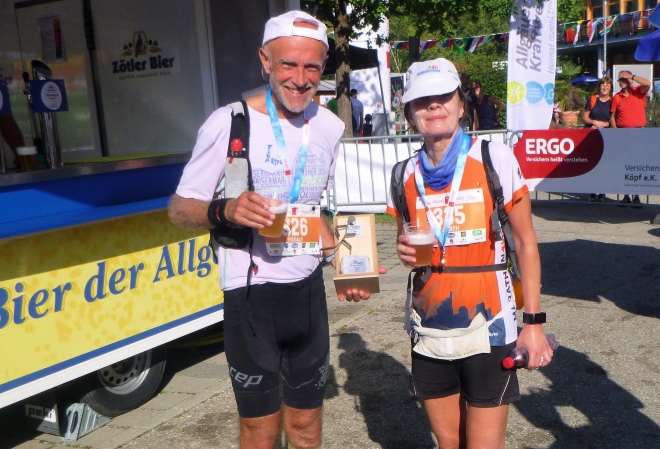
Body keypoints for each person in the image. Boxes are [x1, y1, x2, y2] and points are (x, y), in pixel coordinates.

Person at [168, 11, 382, 449]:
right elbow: (179, 210)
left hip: (307, 296)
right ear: (265, 60)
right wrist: (226, 209)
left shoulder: (330, 127)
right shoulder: (229, 122)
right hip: (251, 298)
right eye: (288, 64)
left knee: (306, 428)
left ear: (323, 67)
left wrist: (348, 264)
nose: (300, 80)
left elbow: (314, 213)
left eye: (311, 67)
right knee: (260, 431)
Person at [387, 58, 552, 449]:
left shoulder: (494, 158)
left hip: (489, 324)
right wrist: (404, 252)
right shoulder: (401, 174)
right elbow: (404, 244)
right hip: (430, 327)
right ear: (409, 114)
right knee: (449, 443)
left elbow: (525, 242)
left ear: (461, 104)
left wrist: (533, 323)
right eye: (421, 100)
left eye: (443, 96)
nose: (433, 105)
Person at [610, 70, 651, 205]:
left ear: (630, 80)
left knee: (637, 164)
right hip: (623, 133)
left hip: (638, 132)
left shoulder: (638, 91)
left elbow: (648, 83)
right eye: (620, 80)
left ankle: (636, 196)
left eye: (624, 79)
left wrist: (632, 77)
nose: (621, 82)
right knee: (624, 165)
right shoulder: (617, 97)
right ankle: (626, 195)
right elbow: (612, 116)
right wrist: (616, 132)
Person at [582, 77, 612, 202]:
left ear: (610, 88)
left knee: (604, 165)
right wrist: (594, 122)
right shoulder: (593, 99)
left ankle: (602, 192)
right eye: (602, 85)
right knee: (592, 163)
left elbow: (614, 119)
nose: (605, 87)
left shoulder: (613, 101)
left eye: (607, 85)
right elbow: (585, 117)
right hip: (592, 135)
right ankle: (592, 191)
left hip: (606, 136)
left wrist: (605, 124)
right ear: (599, 87)